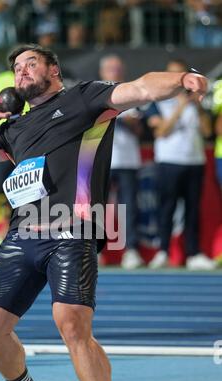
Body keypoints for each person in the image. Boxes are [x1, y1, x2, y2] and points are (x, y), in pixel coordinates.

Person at [0, 44, 207, 381]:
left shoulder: (84, 98)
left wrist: (181, 79)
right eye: (16, 68)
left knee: (71, 322)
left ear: (53, 70)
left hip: (73, 229)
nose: (21, 72)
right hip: (24, 232)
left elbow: (141, 89)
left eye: (30, 64)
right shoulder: (14, 128)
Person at [147, 59, 215, 270]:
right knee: (166, 208)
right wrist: (180, 107)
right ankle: (163, 251)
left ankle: (193, 254)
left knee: (193, 210)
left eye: (179, 74)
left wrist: (198, 107)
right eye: (170, 74)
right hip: (169, 161)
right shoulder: (157, 101)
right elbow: (160, 132)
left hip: (194, 161)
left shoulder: (197, 102)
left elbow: (207, 132)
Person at [99, 54, 144, 269]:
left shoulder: (132, 93)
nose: (114, 72)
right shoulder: (95, 94)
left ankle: (131, 250)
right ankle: (93, 250)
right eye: (110, 68)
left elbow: (141, 130)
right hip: (101, 161)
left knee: (129, 207)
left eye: (117, 68)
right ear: (102, 72)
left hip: (127, 161)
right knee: (96, 208)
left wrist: (128, 120)